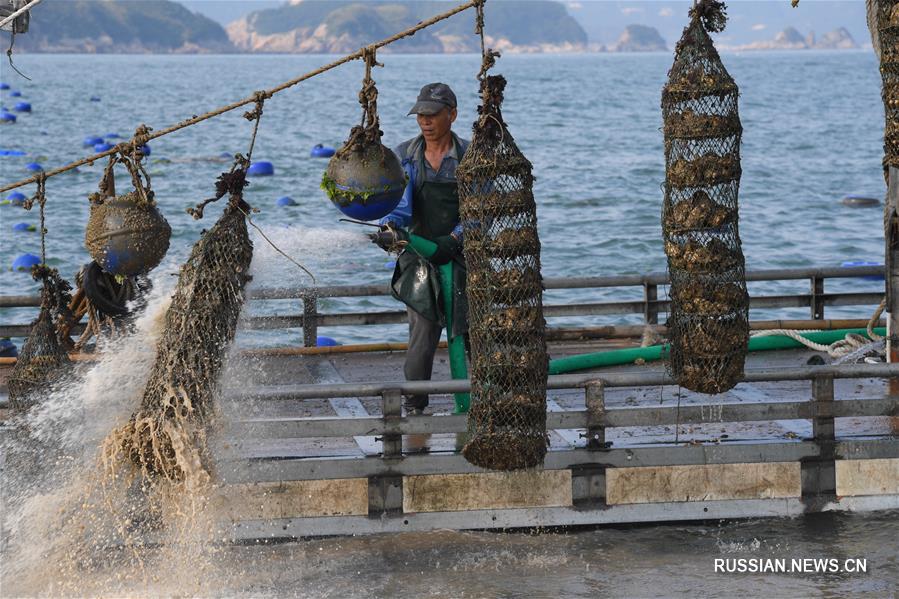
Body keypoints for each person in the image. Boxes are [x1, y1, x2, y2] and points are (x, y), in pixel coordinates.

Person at [374, 82, 469, 414]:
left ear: (452, 115)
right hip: (418, 255)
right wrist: (391, 231)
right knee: (423, 330)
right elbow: (398, 208)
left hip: (463, 256)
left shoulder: (470, 157)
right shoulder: (404, 156)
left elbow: (482, 211)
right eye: (420, 115)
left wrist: (455, 239)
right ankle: (415, 404)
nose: (425, 122)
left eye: (432, 115)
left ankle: (474, 399)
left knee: (467, 330)